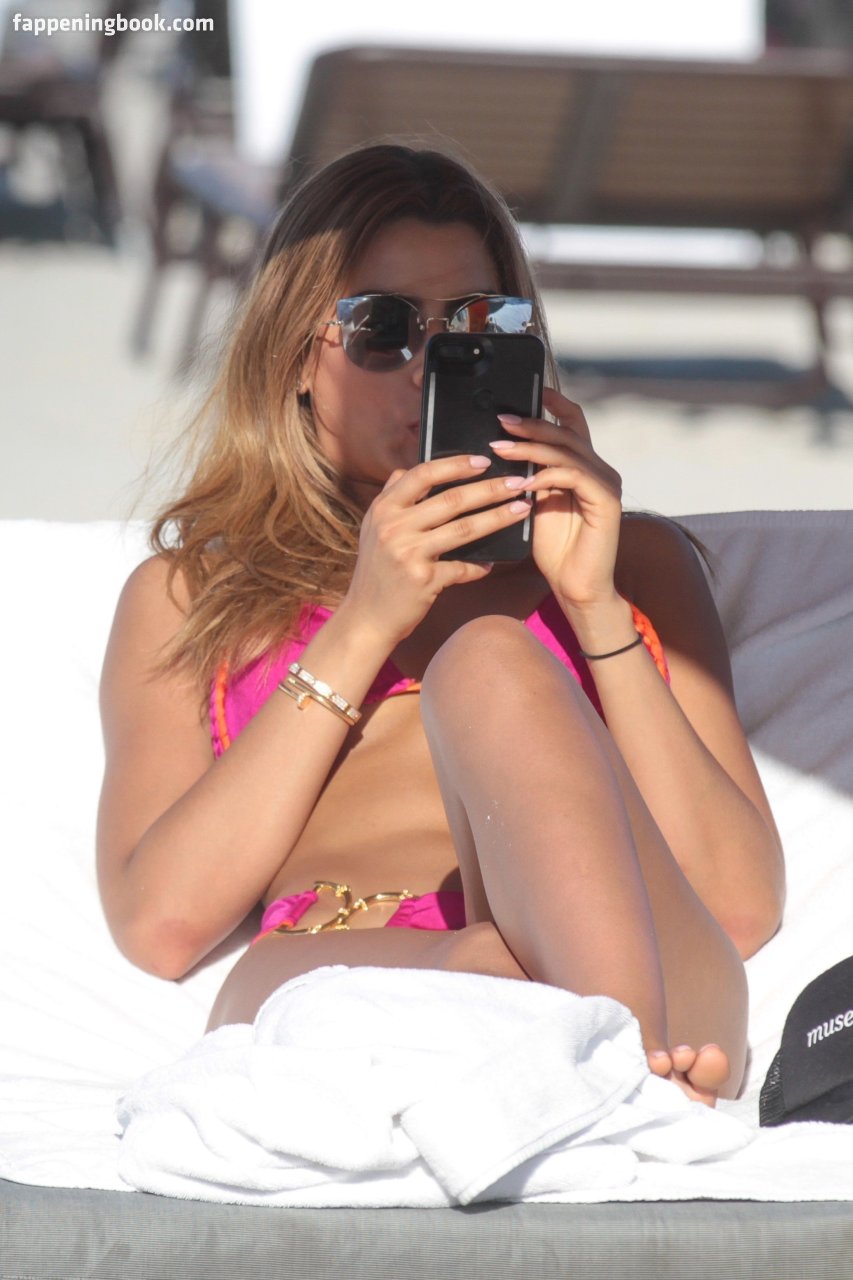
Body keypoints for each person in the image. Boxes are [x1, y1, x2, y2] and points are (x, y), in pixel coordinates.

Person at [96, 143, 784, 1106]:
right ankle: (579, 1051)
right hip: (367, 966)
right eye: (382, 327)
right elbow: (161, 924)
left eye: (478, 323)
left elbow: (738, 907)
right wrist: (363, 623)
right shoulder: (196, 592)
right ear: (293, 360)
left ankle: (600, 1064)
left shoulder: (632, 563)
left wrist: (591, 606)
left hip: (644, 984)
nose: (431, 365)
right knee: (308, 983)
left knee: (489, 660)